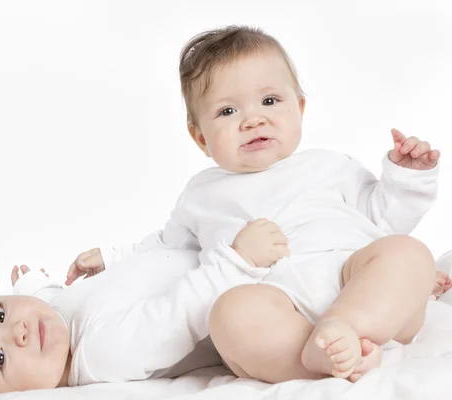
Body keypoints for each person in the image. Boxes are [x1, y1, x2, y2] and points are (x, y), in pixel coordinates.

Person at [65, 25, 443, 383]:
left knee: (406, 254)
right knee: (228, 315)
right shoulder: (201, 193)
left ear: (300, 109)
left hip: (356, 285)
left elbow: (384, 218)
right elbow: (166, 245)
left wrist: (407, 178)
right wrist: (113, 257)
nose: (253, 119)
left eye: (269, 100)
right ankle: (330, 357)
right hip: (279, 308)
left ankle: (346, 328)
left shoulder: (330, 165)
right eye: (228, 111)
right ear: (200, 138)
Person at [0, 221, 283, 399]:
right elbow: (176, 316)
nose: (18, 331)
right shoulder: (102, 354)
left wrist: (31, 284)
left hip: (220, 243)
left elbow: (52, 300)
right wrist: (237, 262)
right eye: (0, 357)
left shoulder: (54, 319)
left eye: (0, 314)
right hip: (257, 282)